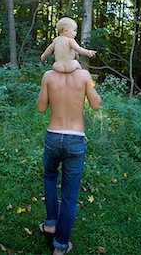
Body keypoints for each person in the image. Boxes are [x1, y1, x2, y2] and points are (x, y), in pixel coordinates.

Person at [36, 68, 101, 254]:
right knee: (69, 195)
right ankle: (60, 247)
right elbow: (96, 105)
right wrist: (88, 86)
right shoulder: (84, 75)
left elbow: (40, 107)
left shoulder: (48, 75)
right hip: (75, 139)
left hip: (54, 137)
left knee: (50, 177)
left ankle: (50, 224)